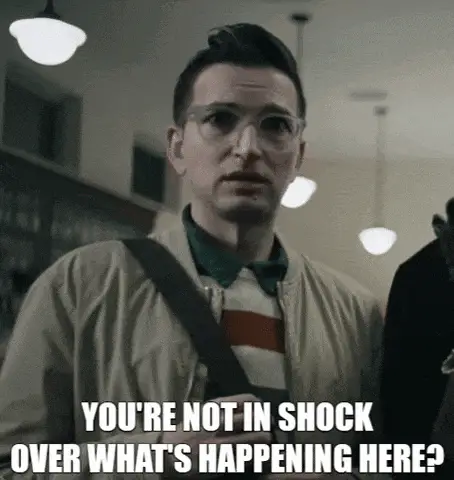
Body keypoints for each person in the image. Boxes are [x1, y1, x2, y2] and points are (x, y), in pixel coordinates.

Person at [0, 23, 386, 479]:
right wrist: (157, 455)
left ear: (297, 156)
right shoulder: (79, 287)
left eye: (276, 125)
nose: (247, 148)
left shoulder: (356, 315)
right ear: (177, 146)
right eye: (220, 119)